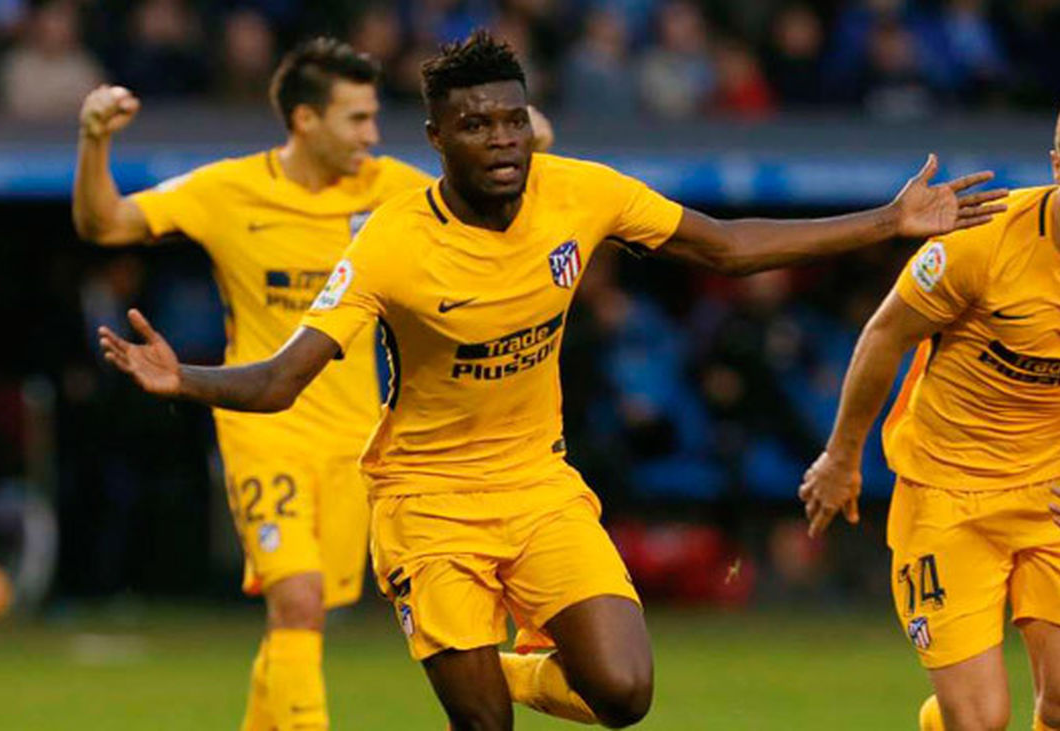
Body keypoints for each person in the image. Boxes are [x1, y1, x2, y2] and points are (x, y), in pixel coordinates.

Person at [98, 31, 1006, 730]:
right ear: (436, 138)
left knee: (624, 692)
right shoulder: (391, 243)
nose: (500, 140)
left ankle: (516, 664)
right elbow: (284, 377)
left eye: (509, 119)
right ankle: (486, 678)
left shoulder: (580, 191)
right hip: (427, 502)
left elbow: (726, 246)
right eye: (475, 125)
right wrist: (186, 381)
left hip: (537, 486)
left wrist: (887, 220)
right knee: (483, 723)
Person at [73, 37, 553, 731]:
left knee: (305, 616)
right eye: (356, 118)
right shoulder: (226, 191)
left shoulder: (393, 189)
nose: (372, 134)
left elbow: (491, 191)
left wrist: (522, 137)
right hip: (263, 425)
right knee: (296, 601)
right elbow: (104, 221)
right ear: (305, 120)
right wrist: (94, 141)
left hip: (358, 439)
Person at [798, 82, 1060, 731]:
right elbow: (883, 337)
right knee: (979, 721)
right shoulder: (981, 243)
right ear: (1058, 163)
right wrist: (842, 455)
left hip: (1058, 491)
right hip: (944, 492)